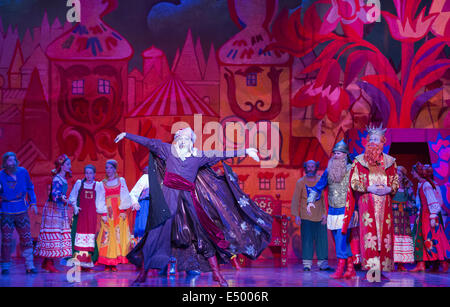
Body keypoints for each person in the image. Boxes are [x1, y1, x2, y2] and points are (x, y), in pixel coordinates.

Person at [115, 127, 272, 287]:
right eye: (181, 137)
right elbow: (149, 142)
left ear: (192, 142)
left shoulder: (197, 157)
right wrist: (127, 134)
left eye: (187, 138)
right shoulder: (168, 150)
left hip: (188, 202)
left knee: (202, 235)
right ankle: (143, 274)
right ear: (176, 139)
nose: (184, 140)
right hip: (168, 200)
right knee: (155, 235)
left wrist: (245, 151)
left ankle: (217, 274)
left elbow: (220, 153)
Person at [342, 124, 399, 282]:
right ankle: (372, 270)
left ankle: (382, 269)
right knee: (370, 236)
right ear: (367, 142)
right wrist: (369, 187)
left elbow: (395, 182)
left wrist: (389, 189)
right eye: (371, 140)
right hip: (368, 204)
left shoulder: (390, 161)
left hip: (384, 204)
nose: (374, 143)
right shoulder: (359, 161)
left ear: (382, 142)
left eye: (377, 140)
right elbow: (354, 183)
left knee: (384, 236)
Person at [307, 140, 358, 279]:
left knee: (342, 239)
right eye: (335, 153)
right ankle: (350, 268)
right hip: (333, 210)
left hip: (346, 209)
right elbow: (318, 186)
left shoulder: (351, 169)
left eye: (339, 153)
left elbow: (358, 188)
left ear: (345, 155)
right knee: (340, 240)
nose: (336, 155)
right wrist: (310, 201)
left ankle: (341, 268)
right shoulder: (329, 171)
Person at [34, 154, 74, 272]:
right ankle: (49, 262)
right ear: (61, 166)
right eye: (67, 164)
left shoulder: (62, 178)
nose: (69, 166)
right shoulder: (57, 179)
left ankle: (47, 262)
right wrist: (64, 199)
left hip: (59, 208)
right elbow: (54, 196)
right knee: (53, 234)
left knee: (58, 234)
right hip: (54, 208)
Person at [0, 152, 38, 274]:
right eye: (9, 160)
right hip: (6, 210)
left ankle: (29, 265)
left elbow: (30, 187)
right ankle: (5, 266)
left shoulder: (22, 172)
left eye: (14, 160)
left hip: (21, 209)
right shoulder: (1, 175)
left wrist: (33, 203)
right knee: (6, 239)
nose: (12, 162)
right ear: (5, 163)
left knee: (26, 237)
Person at [410, 163, 449, 273]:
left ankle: (443, 262)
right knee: (420, 238)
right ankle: (421, 263)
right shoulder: (421, 184)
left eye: (413, 172)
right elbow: (420, 201)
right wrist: (419, 212)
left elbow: (433, 201)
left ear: (418, 173)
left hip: (429, 215)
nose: (412, 174)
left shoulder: (427, 185)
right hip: (423, 215)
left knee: (432, 237)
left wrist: (433, 216)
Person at [291, 160, 329, 271]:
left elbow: (324, 198)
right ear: (305, 167)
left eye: (313, 166)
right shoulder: (300, 182)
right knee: (307, 240)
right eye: (309, 166)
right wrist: (296, 215)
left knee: (322, 240)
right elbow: (295, 200)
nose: (311, 168)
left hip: (320, 216)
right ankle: (307, 264)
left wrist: (325, 214)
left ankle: (323, 263)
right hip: (306, 216)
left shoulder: (321, 180)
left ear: (315, 167)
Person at [96, 160, 132, 272]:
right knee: (107, 235)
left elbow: (125, 195)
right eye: (107, 168)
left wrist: (123, 210)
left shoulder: (120, 181)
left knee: (117, 235)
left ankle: (115, 262)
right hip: (108, 211)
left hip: (118, 211)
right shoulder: (102, 183)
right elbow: (100, 198)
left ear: (115, 169)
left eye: (111, 168)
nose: (108, 170)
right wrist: (102, 213)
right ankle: (107, 262)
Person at [68, 165, 106, 271]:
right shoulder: (79, 184)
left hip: (91, 215)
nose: (88, 175)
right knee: (79, 237)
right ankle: (78, 262)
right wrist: (75, 206)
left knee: (89, 236)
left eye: (90, 173)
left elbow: (100, 201)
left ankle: (87, 262)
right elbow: (72, 197)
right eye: (86, 173)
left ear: (94, 174)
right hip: (81, 215)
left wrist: (103, 213)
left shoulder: (98, 185)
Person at [392, 166, 415, 271]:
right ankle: (391, 262)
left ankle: (401, 263)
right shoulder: (391, 186)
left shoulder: (407, 187)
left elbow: (412, 201)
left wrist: (410, 207)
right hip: (393, 215)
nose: (398, 177)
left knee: (403, 238)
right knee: (393, 238)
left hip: (403, 216)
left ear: (403, 176)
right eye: (396, 174)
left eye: (400, 175)